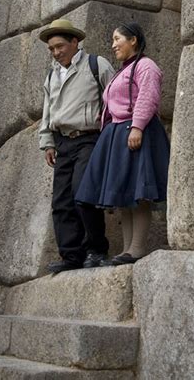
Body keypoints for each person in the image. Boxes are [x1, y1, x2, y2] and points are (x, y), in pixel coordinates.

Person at [75, 22, 170, 265]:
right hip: (117, 133)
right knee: (125, 195)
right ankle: (127, 250)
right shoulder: (122, 71)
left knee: (138, 194)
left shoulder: (145, 66)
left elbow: (148, 96)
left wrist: (137, 126)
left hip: (135, 130)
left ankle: (136, 249)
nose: (113, 44)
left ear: (133, 41)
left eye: (118, 39)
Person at [39, 18, 115, 274]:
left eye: (60, 46)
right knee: (61, 203)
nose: (56, 52)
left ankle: (96, 250)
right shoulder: (51, 75)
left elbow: (116, 99)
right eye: (51, 49)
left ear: (75, 42)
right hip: (63, 143)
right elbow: (47, 112)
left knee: (83, 194)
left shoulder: (96, 65)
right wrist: (47, 142)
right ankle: (71, 255)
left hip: (90, 138)